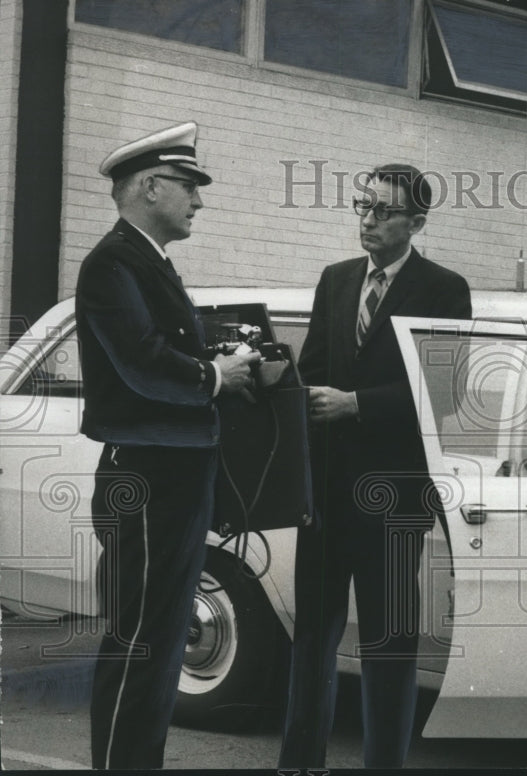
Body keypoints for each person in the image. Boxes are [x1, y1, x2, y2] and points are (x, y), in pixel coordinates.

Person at [76, 121, 260, 769]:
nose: (198, 202)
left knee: (159, 643)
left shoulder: (148, 262)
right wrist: (216, 374)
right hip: (149, 481)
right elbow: (142, 364)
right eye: (189, 186)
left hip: (173, 480)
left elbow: (164, 353)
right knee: (141, 643)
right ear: (151, 186)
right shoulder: (112, 264)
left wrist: (221, 358)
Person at [279, 163, 472, 769]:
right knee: (312, 640)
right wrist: (282, 383)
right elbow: (313, 368)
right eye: (363, 206)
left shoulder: (444, 288)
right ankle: (299, 761)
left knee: (389, 645)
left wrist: (357, 404)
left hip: (392, 499)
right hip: (327, 497)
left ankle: (383, 764)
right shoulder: (335, 281)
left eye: (384, 211)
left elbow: (447, 388)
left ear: (416, 222)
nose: (368, 218)